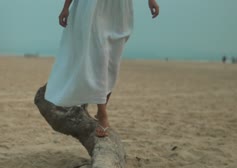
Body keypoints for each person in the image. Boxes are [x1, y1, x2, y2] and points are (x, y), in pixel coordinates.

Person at [45, 0, 160, 137]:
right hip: (93, 7)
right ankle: (103, 114)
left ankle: (102, 108)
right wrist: (66, 7)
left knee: (112, 62)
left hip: (119, 8)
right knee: (100, 56)